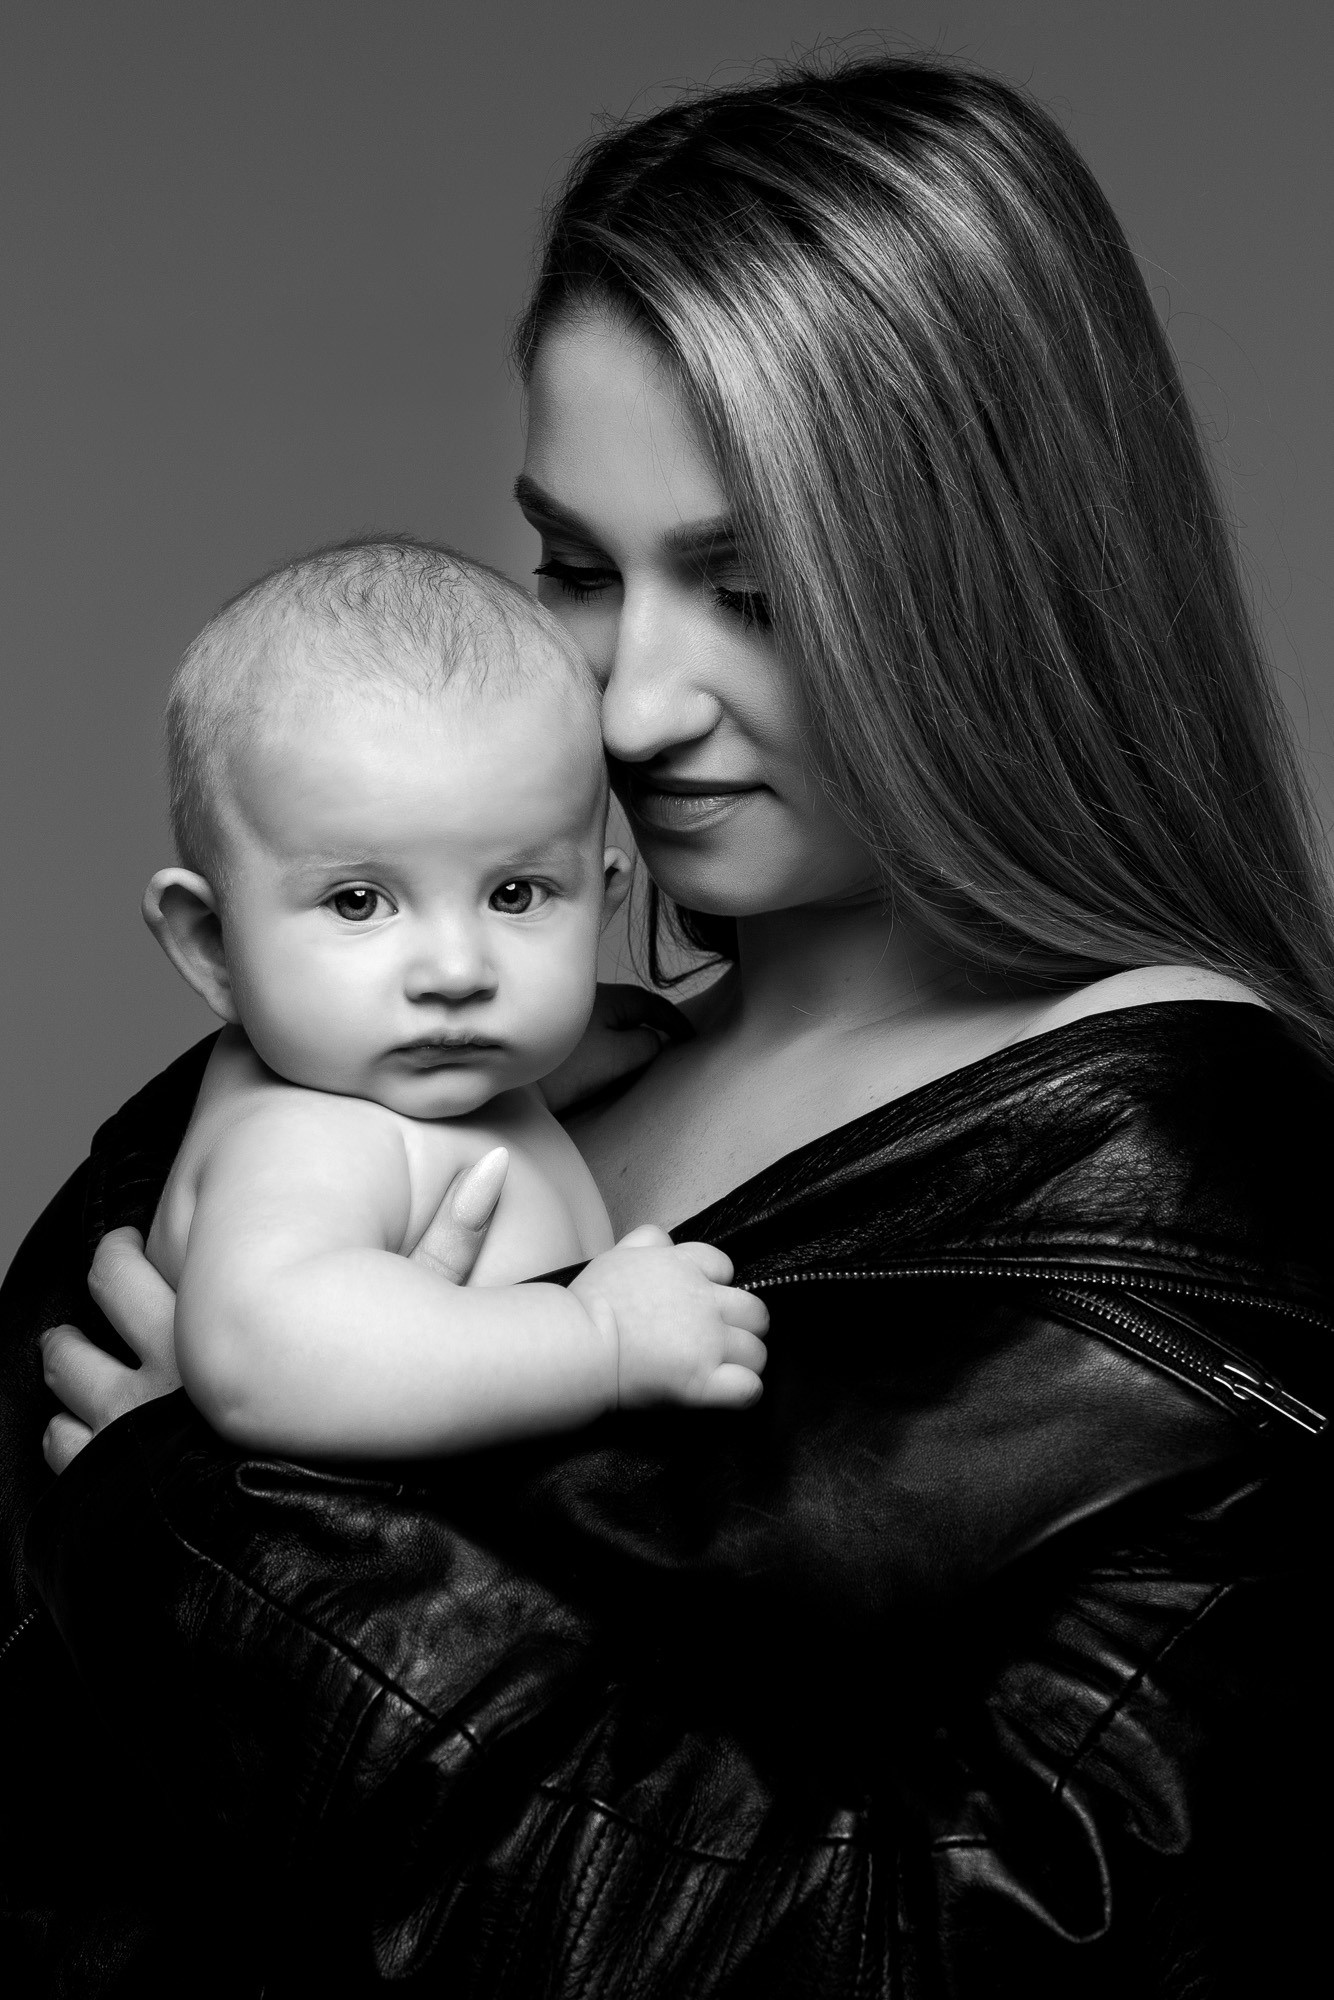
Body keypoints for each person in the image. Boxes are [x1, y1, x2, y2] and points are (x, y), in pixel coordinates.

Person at [3, 51, 1331, 2000]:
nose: (624, 707)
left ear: (992, 589)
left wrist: (234, 1536)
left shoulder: (1206, 1233)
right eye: (573, 564)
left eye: (753, 590)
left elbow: (911, 1966)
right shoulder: (489, 1044)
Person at [129, 537, 765, 1462]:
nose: (458, 971)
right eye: (359, 902)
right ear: (211, 945)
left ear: (604, 898)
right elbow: (259, 1354)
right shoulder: (303, 1134)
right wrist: (599, 1341)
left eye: (516, 895)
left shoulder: (408, 1087)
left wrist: (556, 1067)